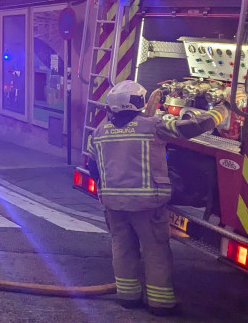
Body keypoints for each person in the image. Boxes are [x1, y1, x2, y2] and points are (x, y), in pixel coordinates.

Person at [86, 80, 231, 316]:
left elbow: (94, 167)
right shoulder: (152, 126)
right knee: (155, 251)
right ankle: (161, 303)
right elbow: (192, 127)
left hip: (113, 205)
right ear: (138, 103)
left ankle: (128, 297)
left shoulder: (99, 133)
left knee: (122, 248)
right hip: (147, 205)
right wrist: (224, 109)